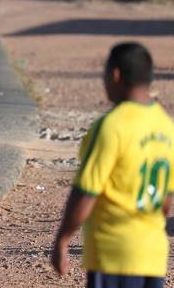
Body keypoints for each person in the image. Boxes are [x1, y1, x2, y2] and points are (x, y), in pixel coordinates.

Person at [51, 43, 174, 287]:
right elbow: (166, 200)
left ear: (115, 75)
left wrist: (62, 239)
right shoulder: (166, 126)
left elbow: (86, 192)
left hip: (113, 254)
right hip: (153, 254)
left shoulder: (111, 126)